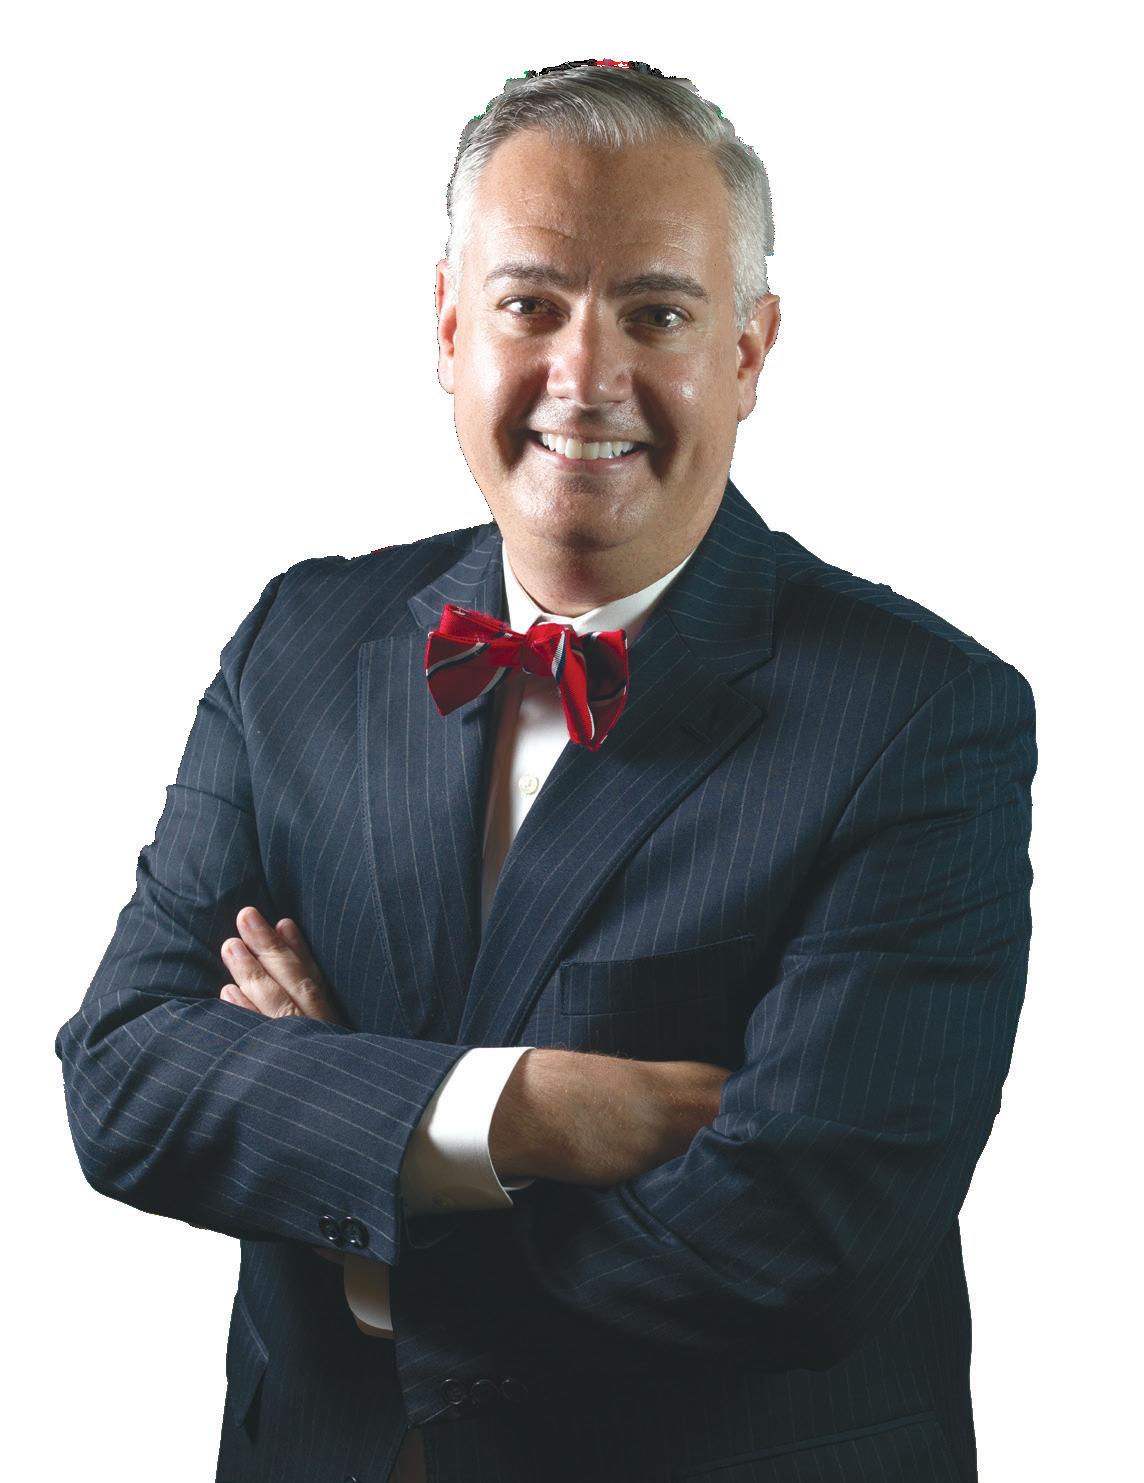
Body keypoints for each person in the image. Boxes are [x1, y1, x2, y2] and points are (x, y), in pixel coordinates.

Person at [54, 60, 1036, 1483]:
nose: (586, 378)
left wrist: (352, 1174)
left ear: (750, 350)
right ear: (450, 327)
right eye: (530, 305)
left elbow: (804, 1244)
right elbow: (126, 1075)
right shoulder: (298, 640)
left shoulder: (923, 714)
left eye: (658, 313)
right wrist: (524, 1113)